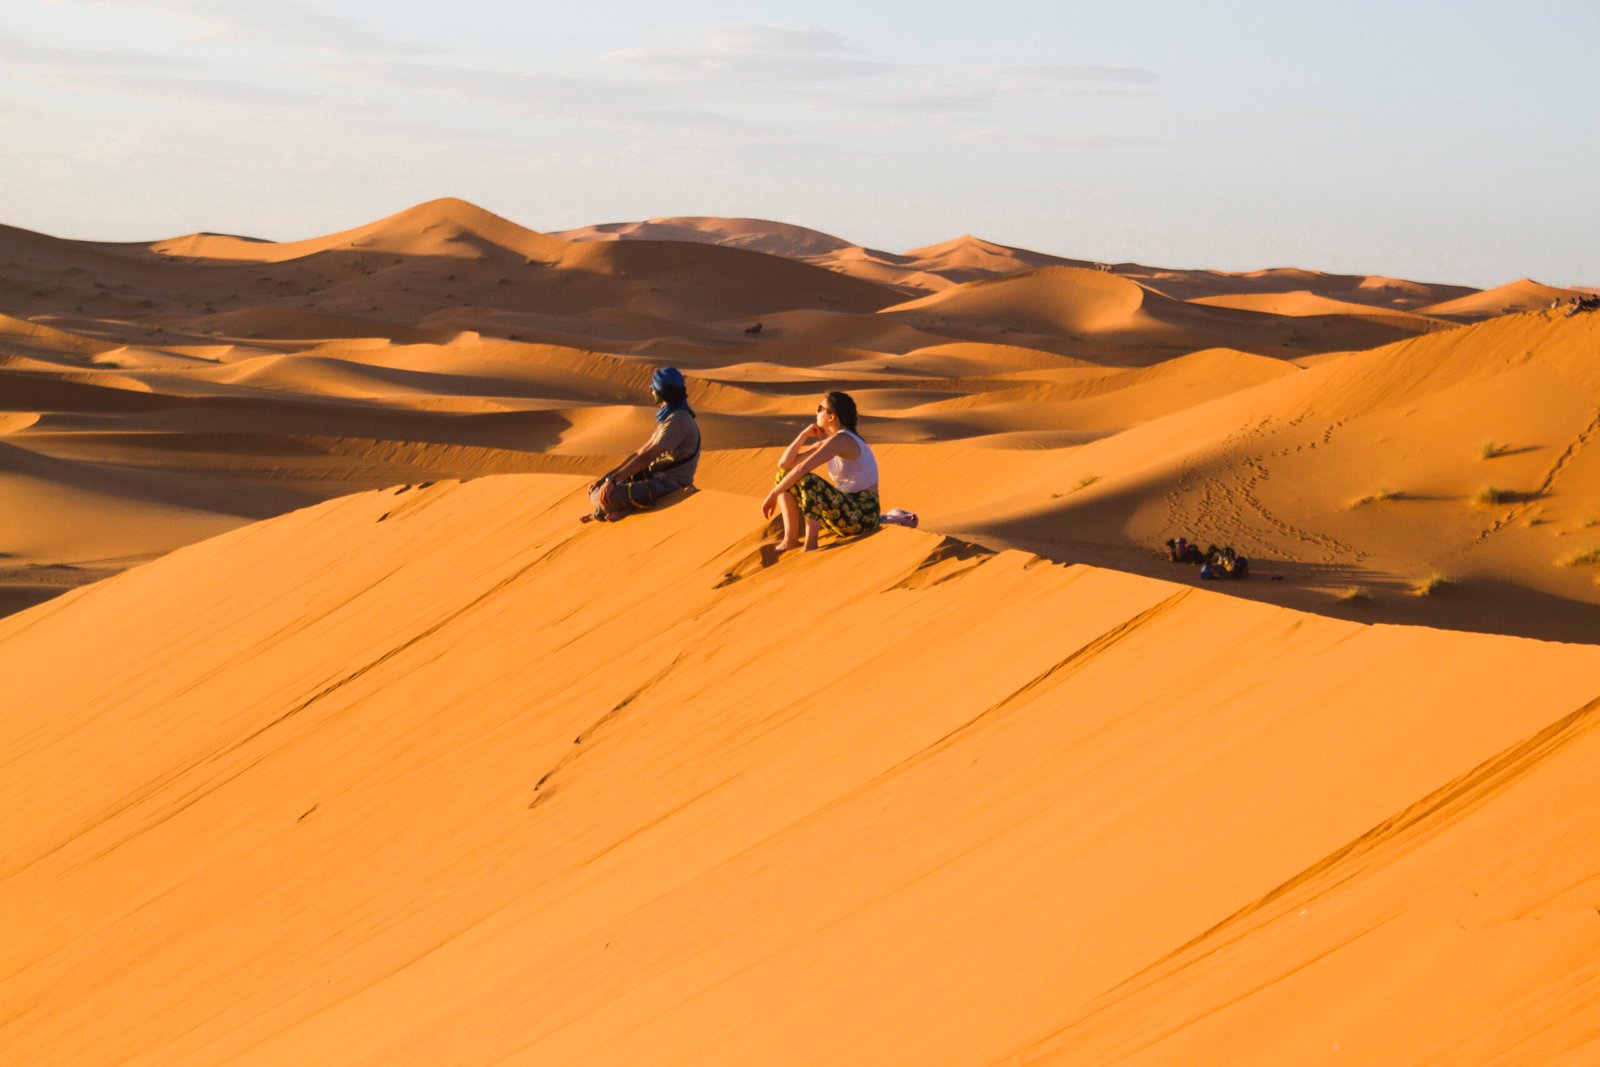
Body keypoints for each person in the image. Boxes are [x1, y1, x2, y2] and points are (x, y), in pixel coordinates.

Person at [761, 390, 880, 551]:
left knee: (809, 481)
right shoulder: (830, 442)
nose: (816, 413)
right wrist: (804, 435)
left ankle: (811, 544)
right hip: (844, 513)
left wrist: (773, 494)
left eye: (820, 408)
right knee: (783, 476)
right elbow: (785, 465)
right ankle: (790, 539)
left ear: (831, 417)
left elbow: (803, 468)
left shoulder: (843, 440)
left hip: (863, 515)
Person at [586, 367, 700, 521]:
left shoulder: (679, 420)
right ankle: (617, 506)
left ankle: (607, 510)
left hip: (671, 485)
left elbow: (647, 458)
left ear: (660, 391)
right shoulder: (670, 418)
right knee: (597, 491)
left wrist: (612, 482)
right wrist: (607, 479)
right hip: (654, 478)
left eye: (653, 388)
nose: (651, 391)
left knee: (608, 496)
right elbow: (639, 453)